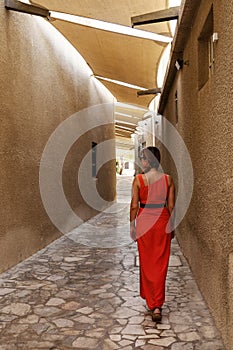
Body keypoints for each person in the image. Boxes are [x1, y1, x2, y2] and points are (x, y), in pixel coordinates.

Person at [130, 146, 175, 322]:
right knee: (161, 263)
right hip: (162, 221)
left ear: (148, 161)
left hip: (144, 221)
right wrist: (173, 226)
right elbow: (170, 206)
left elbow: (134, 205)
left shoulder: (139, 180)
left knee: (147, 262)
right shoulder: (168, 179)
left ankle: (152, 302)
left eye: (142, 158)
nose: (141, 162)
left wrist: (132, 225)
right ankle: (157, 305)